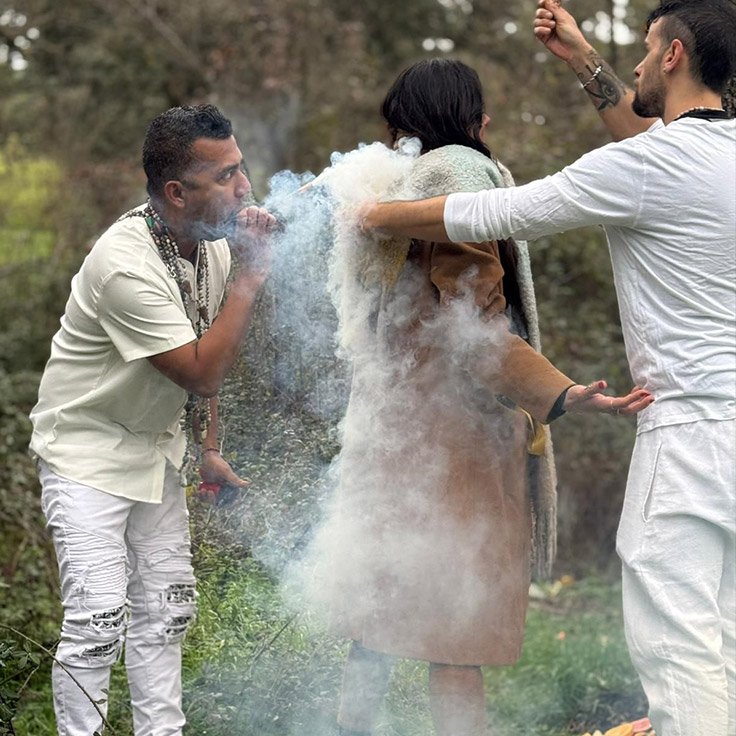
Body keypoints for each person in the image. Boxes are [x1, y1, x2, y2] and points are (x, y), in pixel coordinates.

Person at [359, 2, 736, 734]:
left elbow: (499, 211)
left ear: (673, 55)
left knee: (681, 651)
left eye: (645, 49)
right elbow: (662, 147)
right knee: (725, 636)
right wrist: (580, 57)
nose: (631, 66)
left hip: (692, 436)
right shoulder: (703, 158)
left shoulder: (647, 166)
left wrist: (375, 217)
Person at [317, 59, 652, 736]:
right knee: (457, 639)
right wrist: (559, 392)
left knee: (376, 623)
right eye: (480, 110)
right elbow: (470, 325)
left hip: (395, 434)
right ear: (468, 119)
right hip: (453, 448)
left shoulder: (402, 185)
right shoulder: (462, 179)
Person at [29, 104, 276, 736]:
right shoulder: (124, 262)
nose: (244, 188)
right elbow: (201, 370)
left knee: (167, 612)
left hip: (160, 451)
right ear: (176, 192)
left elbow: (206, 341)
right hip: (87, 454)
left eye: (240, 169)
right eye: (225, 177)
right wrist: (252, 273)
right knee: (99, 617)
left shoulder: (211, 247)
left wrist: (209, 446)